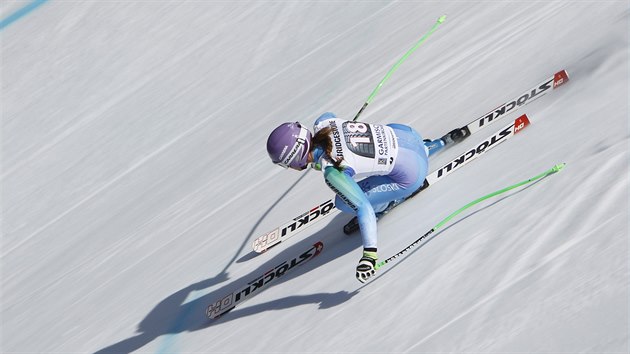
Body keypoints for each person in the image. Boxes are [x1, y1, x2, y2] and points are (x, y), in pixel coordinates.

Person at [266, 112, 445, 282]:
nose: (289, 167)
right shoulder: (322, 123)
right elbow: (329, 115)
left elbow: (363, 208)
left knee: (343, 202)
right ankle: (428, 147)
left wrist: (369, 255)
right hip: (408, 134)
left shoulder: (333, 171)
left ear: (294, 157)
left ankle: (388, 203)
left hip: (412, 176)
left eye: (286, 164)